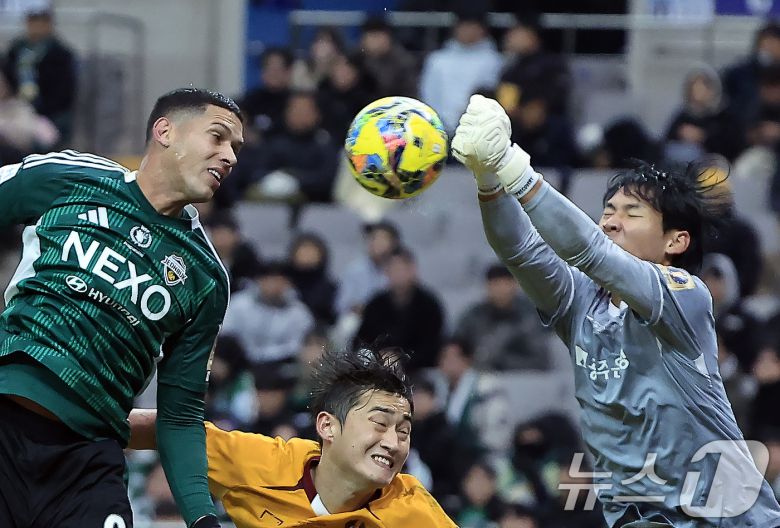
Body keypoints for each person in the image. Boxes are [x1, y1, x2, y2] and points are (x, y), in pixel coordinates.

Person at [450, 94, 780, 527]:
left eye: (631, 213)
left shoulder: (685, 296)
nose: (609, 221)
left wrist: (512, 164)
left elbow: (593, 253)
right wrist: (488, 179)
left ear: (675, 241)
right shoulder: (579, 304)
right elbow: (521, 251)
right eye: (607, 211)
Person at [0, 87, 244, 528]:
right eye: (218, 137)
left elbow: (180, 415)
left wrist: (202, 517)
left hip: (86, 466)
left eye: (236, 149)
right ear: (165, 131)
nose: (229, 156)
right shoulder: (73, 178)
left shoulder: (206, 277)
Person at [127, 346, 457, 528]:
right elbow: (172, 428)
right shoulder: (265, 465)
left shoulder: (412, 512)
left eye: (404, 431)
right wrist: (93, 430)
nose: (393, 442)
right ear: (327, 426)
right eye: (380, 424)